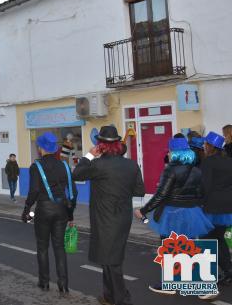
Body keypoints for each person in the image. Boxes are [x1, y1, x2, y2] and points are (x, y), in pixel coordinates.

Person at [73, 125, 145, 305]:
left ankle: (121, 299)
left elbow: (77, 174)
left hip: (104, 218)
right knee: (109, 258)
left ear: (101, 145)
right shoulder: (131, 164)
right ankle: (109, 296)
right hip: (122, 217)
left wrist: (89, 155)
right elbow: (140, 190)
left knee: (112, 261)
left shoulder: (98, 164)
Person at [134, 137, 212, 295]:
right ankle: (201, 287)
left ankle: (170, 285)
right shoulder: (197, 170)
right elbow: (203, 194)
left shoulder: (170, 169)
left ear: (174, 152)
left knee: (170, 248)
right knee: (188, 249)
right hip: (191, 213)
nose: (168, 154)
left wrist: (143, 210)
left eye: (169, 151)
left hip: (172, 214)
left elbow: (161, 195)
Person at [22, 132, 77, 296]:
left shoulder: (36, 167)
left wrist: (26, 209)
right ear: (54, 149)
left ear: (40, 148)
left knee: (43, 247)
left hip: (44, 210)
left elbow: (34, 191)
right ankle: (63, 284)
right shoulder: (65, 166)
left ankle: (44, 282)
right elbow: (73, 192)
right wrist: (70, 214)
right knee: (60, 248)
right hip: (61, 210)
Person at [201, 131, 232, 290]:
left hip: (212, 208)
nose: (203, 146)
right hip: (227, 208)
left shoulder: (208, 163)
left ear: (211, 146)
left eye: (205, 144)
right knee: (219, 238)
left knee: (207, 241)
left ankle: (212, 274)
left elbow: (205, 187)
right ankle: (228, 271)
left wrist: (198, 204)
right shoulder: (229, 161)